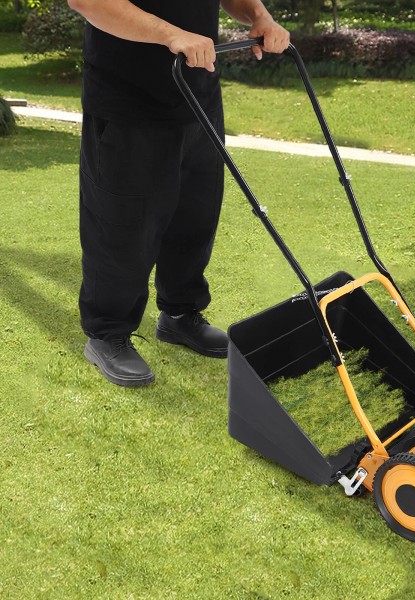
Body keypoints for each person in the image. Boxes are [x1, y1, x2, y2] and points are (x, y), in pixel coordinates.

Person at [66, 0, 290, 387]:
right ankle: (107, 332)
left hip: (198, 96)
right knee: (122, 225)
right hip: (128, 101)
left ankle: (179, 314)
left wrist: (260, 17)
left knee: (196, 216)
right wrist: (171, 34)